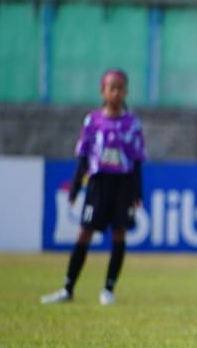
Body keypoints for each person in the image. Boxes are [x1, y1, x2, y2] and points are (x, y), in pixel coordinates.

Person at [41, 69, 146, 306]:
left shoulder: (132, 124)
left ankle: (108, 289)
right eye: (112, 87)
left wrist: (137, 193)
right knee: (84, 232)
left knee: (119, 233)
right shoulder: (93, 121)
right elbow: (84, 156)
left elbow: (138, 160)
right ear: (103, 91)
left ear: (126, 91)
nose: (116, 92)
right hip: (98, 184)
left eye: (120, 88)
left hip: (123, 184)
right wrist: (76, 187)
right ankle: (68, 287)